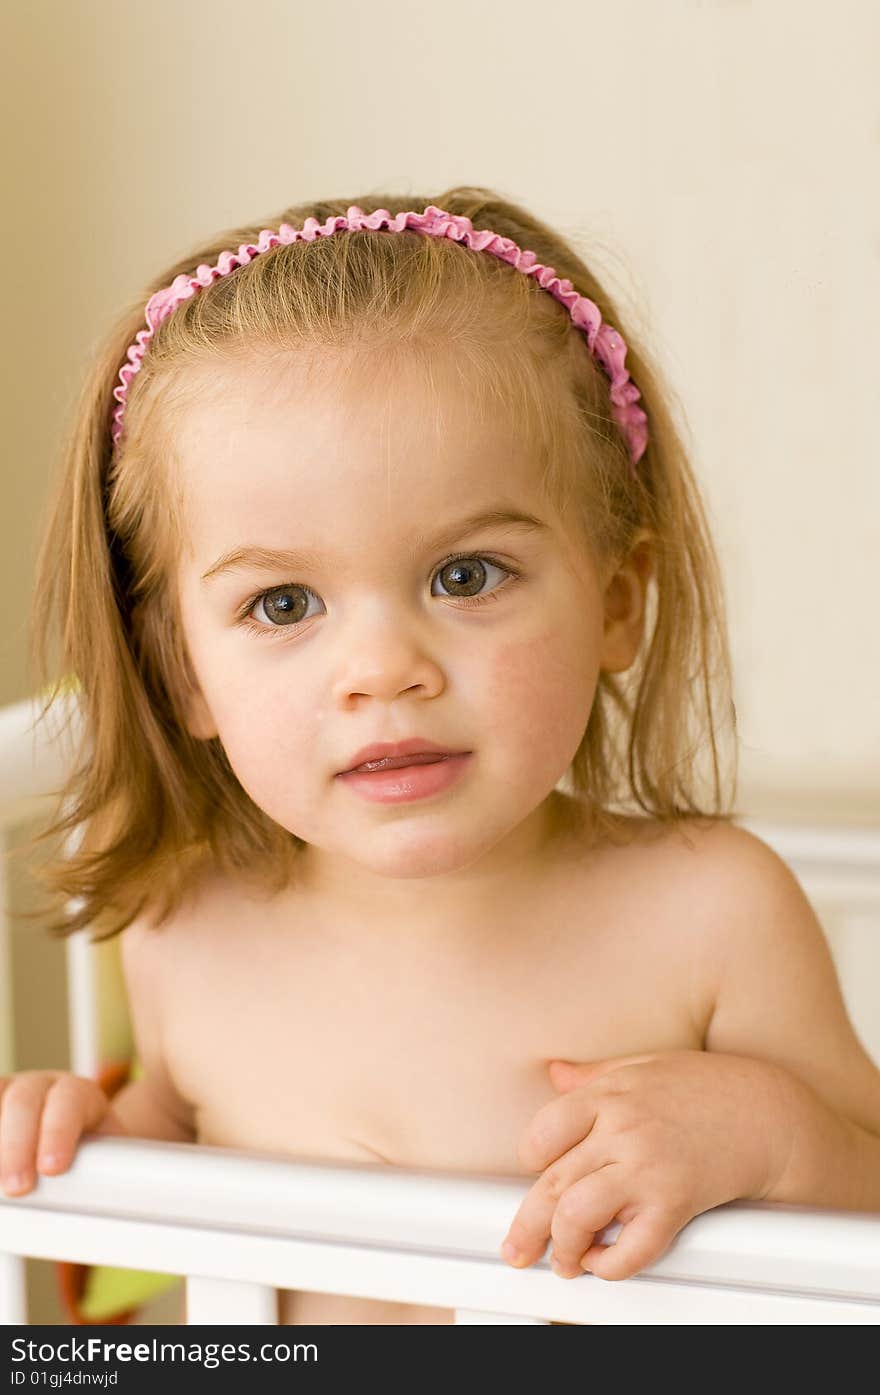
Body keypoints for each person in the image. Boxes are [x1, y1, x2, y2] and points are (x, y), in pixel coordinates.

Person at [3, 189, 879, 1326]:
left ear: (617, 603)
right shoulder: (185, 924)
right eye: (282, 603)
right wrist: (76, 1140)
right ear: (182, 673)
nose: (382, 669)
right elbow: (158, 1180)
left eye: (465, 576)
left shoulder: (710, 913)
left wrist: (776, 1139)